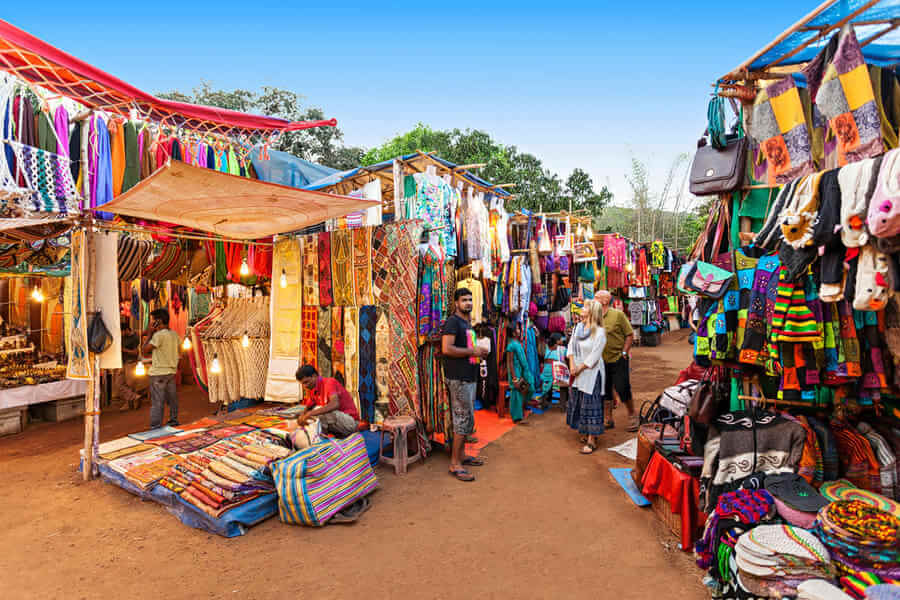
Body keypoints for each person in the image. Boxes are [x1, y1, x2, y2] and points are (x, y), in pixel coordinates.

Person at [441, 288, 489, 482]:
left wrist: (477, 352)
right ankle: (455, 464)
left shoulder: (465, 322)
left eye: (470, 300)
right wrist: (473, 351)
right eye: (464, 300)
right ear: (456, 303)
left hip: (468, 376)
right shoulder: (453, 322)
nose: (468, 303)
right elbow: (446, 348)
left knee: (466, 419)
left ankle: (460, 456)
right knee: (462, 419)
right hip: (458, 377)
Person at [566, 299, 607, 454]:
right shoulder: (578, 328)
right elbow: (571, 346)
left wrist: (579, 368)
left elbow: (594, 357)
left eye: (584, 307)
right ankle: (583, 430)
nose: (582, 310)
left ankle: (592, 439)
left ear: (592, 312)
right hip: (577, 370)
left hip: (592, 372)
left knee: (591, 403)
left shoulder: (600, 332)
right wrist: (572, 366)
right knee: (580, 400)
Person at [597, 290, 638, 432]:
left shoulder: (617, 315)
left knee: (622, 387)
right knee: (605, 388)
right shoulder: (594, 316)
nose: (593, 300)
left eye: (596, 298)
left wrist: (625, 352)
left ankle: (632, 414)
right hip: (601, 360)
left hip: (618, 357)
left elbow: (629, 334)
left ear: (604, 301)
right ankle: (608, 418)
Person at [296, 365, 360, 438]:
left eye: (306, 382)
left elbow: (335, 404)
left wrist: (310, 414)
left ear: (314, 376)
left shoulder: (329, 382)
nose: (305, 386)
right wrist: (302, 416)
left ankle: (319, 439)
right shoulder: (313, 389)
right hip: (338, 425)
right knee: (312, 414)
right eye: (302, 384)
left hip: (350, 423)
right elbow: (308, 407)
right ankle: (318, 437)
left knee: (319, 413)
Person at [142, 309, 180, 428]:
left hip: (158, 373)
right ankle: (173, 420)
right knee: (172, 399)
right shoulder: (174, 334)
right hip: (171, 372)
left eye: (152, 321)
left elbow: (144, 351)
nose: (150, 323)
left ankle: (155, 427)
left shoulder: (158, 335)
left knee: (157, 402)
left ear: (158, 321)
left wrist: (149, 334)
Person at [113, 322, 143, 411]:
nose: (121, 334)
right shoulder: (121, 337)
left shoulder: (135, 338)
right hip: (122, 363)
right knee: (119, 383)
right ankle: (135, 397)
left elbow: (136, 352)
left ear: (126, 330)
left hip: (131, 362)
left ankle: (129, 403)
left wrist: (124, 350)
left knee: (130, 384)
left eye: (121, 332)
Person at [505, 322, 531, 424]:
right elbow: (510, 362)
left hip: (520, 370)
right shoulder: (511, 345)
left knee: (523, 391)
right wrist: (514, 378)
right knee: (516, 393)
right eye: (517, 329)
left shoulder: (517, 343)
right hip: (515, 372)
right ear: (513, 333)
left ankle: (520, 413)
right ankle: (517, 418)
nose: (519, 330)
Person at [539, 332, 567, 408]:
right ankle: (562, 405)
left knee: (546, 386)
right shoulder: (563, 349)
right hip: (558, 369)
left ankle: (544, 402)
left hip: (548, 368)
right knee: (563, 386)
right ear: (557, 341)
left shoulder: (547, 347)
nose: (563, 340)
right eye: (561, 339)